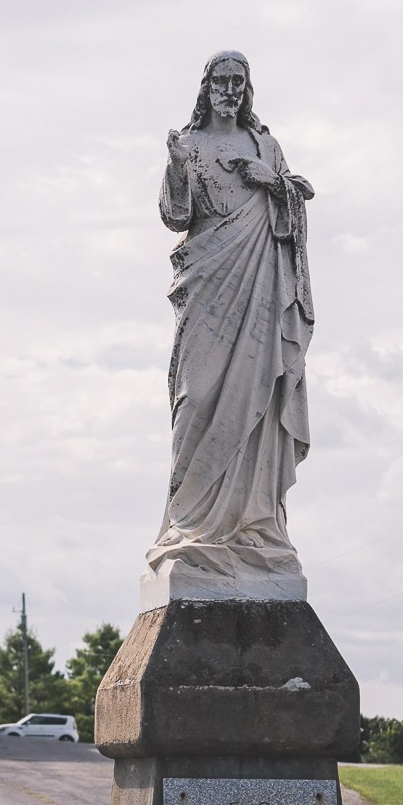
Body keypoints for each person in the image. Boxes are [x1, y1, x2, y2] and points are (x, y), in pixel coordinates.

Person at [145, 49, 316, 603]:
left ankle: (251, 525)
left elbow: (294, 213)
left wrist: (275, 182)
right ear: (206, 87)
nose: (230, 90)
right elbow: (176, 216)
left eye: (238, 82)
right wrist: (174, 165)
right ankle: (189, 526)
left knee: (256, 395)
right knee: (194, 399)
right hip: (210, 281)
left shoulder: (266, 145)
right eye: (221, 81)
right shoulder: (191, 147)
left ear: (247, 88)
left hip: (260, 287)